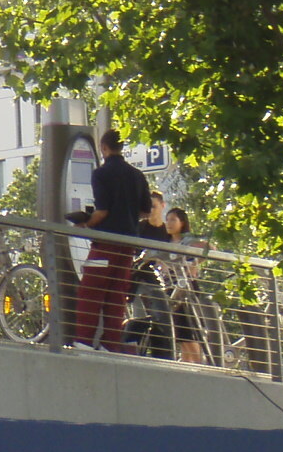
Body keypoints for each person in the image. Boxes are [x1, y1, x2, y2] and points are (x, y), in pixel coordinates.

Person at [70, 130, 149, 352]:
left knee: (90, 291)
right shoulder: (137, 175)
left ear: (103, 148)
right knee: (116, 296)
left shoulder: (101, 174)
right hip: (128, 247)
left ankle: (83, 342)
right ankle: (109, 344)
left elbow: (102, 211)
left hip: (104, 244)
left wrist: (87, 222)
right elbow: (145, 210)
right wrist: (127, 213)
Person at [127, 191, 173, 357]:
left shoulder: (167, 232)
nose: (151, 210)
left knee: (162, 320)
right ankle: (135, 352)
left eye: (154, 206)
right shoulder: (139, 227)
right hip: (140, 280)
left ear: (162, 206)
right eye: (148, 207)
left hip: (160, 283)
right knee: (141, 318)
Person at [162, 207, 209, 364]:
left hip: (187, 287)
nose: (169, 223)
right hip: (171, 288)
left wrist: (194, 264)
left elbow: (210, 248)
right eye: (167, 219)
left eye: (173, 219)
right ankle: (187, 366)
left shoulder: (187, 240)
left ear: (182, 222)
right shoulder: (166, 242)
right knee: (181, 335)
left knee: (191, 332)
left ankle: (199, 367)